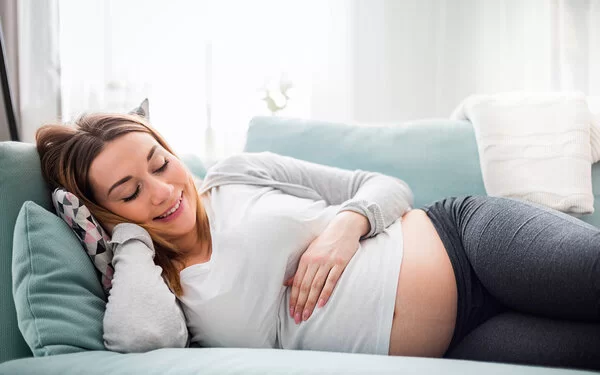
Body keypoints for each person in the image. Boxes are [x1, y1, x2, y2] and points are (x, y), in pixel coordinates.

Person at [35, 112, 600, 370]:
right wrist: (131, 240)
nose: (162, 191)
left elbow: (384, 187)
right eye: (131, 192)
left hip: (468, 241)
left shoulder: (236, 174)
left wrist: (344, 226)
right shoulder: (159, 287)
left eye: (161, 163)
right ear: (104, 212)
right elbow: (138, 340)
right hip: (460, 346)